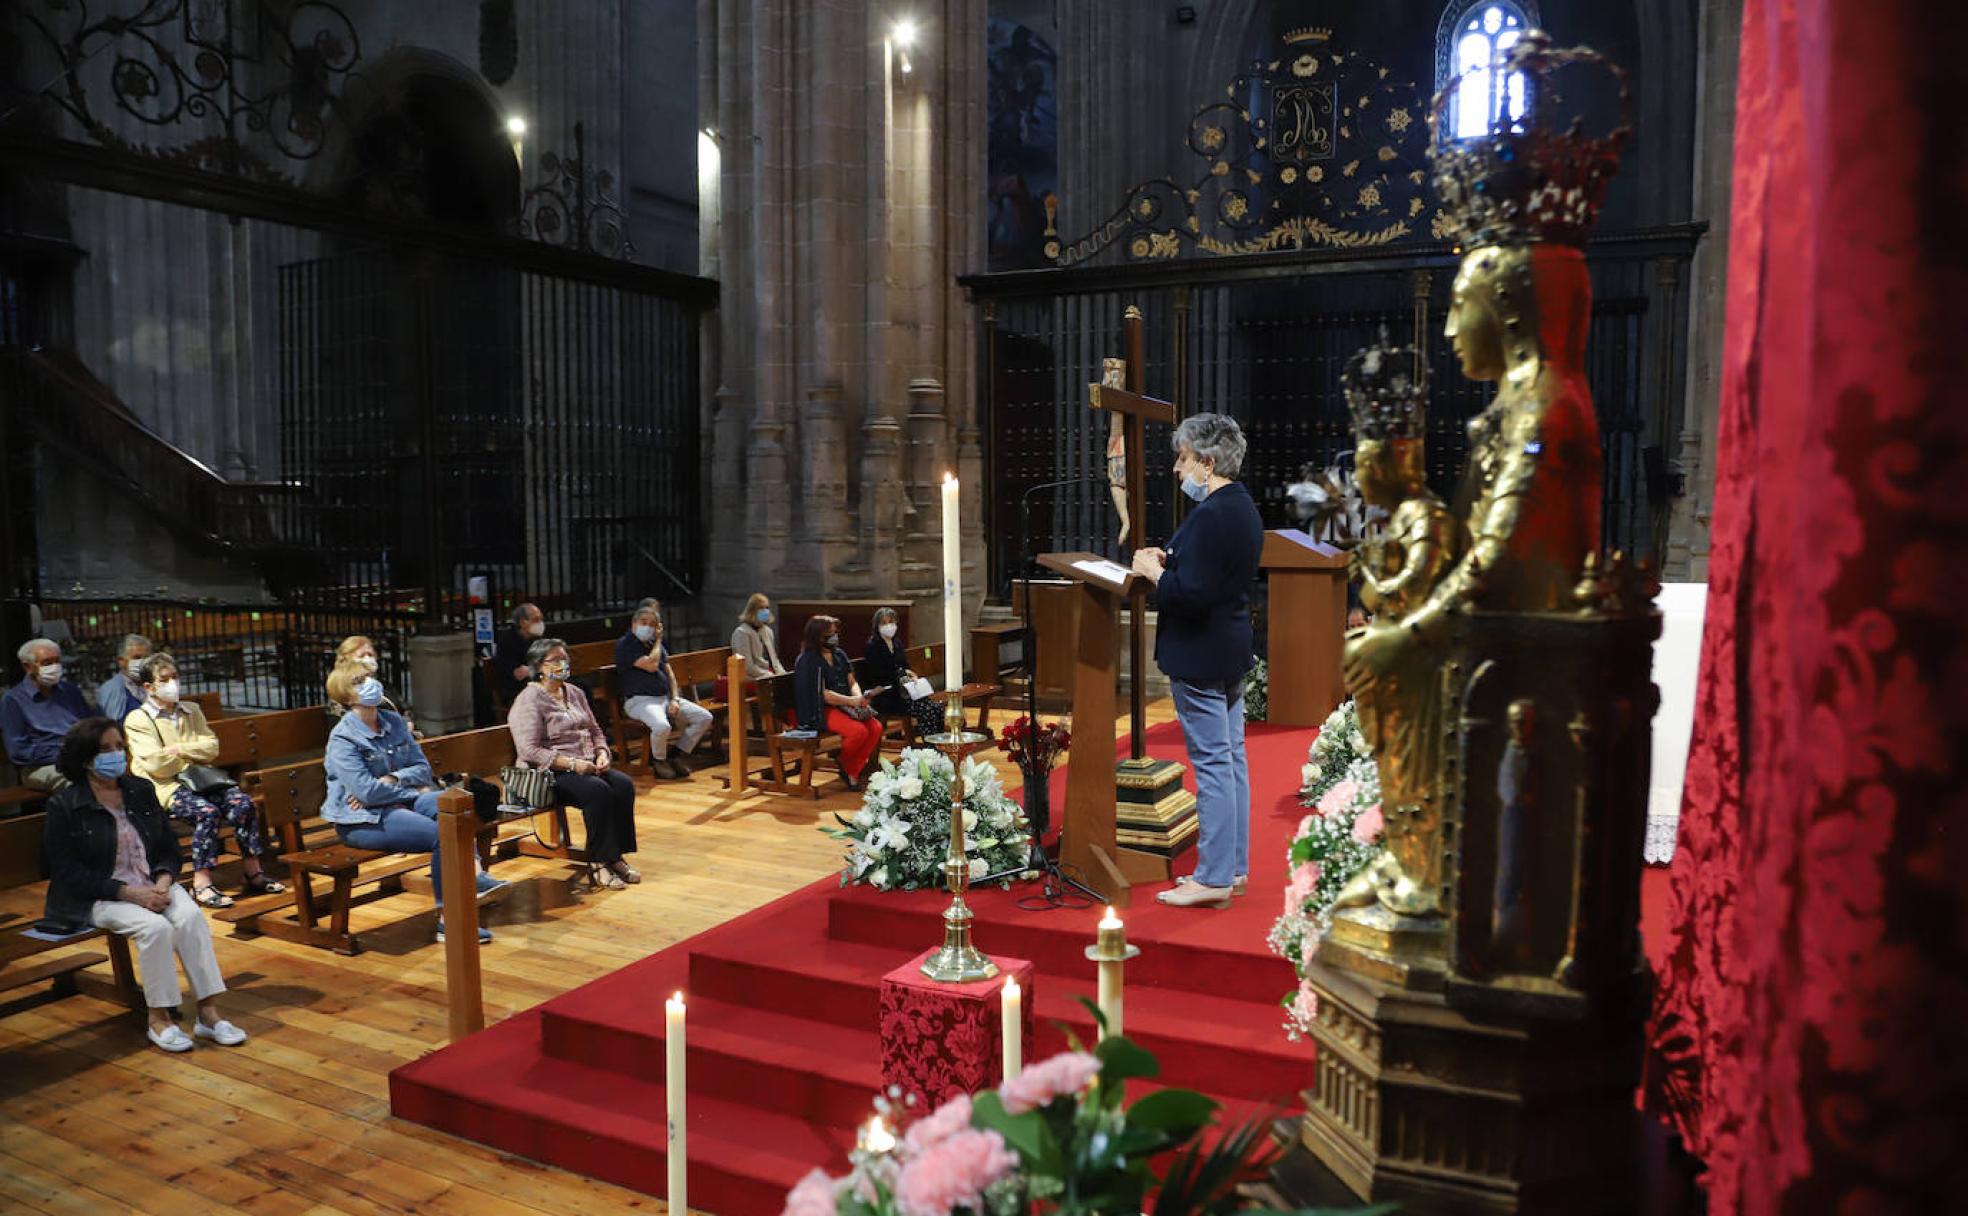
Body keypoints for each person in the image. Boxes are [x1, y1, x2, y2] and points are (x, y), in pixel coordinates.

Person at [42, 717, 248, 1052]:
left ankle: (209, 1015)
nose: (117, 754)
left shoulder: (139, 789)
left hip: (152, 883)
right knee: (154, 929)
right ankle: (159, 1019)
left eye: (120, 747)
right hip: (101, 894)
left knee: (190, 917)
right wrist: (130, 893)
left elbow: (167, 849)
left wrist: (164, 884)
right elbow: (66, 873)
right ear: (86, 760)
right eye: (106, 749)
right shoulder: (65, 805)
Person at [1131, 413, 1264, 909]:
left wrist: (1153, 573)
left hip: (1202, 653)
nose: (1176, 469)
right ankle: (1233, 867)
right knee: (1231, 762)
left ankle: (1211, 878)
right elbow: (1209, 573)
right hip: (1226, 650)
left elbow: (1190, 595)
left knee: (1213, 765)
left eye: (1183, 459)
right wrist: (1168, 561)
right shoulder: (1240, 506)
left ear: (1207, 463)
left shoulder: (1212, 513)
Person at [322, 667, 498, 943]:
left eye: (369, 677)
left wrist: (392, 778)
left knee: (455, 809)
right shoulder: (343, 738)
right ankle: (450, 920)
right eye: (360, 681)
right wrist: (405, 788)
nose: (371, 682)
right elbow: (367, 793)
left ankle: (476, 877)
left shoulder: (392, 720)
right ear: (345, 695)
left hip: (399, 802)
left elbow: (422, 769)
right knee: (443, 835)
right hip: (362, 819)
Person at [123, 653, 285, 908]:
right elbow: (156, 765)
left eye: (175, 677)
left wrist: (177, 749)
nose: (172, 683)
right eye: (164, 679)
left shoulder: (191, 710)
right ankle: (202, 883)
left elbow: (212, 748)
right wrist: (190, 752)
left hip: (201, 780)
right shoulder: (138, 720)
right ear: (148, 687)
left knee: (243, 803)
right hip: (166, 787)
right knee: (206, 812)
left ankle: (253, 872)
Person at [508, 637, 641, 890]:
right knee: (597, 791)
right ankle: (598, 861)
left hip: (588, 763)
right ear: (539, 666)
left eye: (564, 658)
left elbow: (595, 730)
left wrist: (602, 753)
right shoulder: (529, 700)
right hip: (551, 772)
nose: (562, 664)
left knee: (623, 785)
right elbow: (529, 749)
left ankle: (615, 856)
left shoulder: (576, 692)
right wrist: (571, 764)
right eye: (555, 660)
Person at [614, 604, 713, 780]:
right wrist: (659, 640)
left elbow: (670, 675)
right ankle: (658, 760)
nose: (648, 627)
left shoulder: (655, 646)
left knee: (704, 717)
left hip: (665, 698)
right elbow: (652, 666)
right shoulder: (625, 645)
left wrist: (675, 698)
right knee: (662, 726)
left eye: (653, 624)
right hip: (639, 701)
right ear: (634, 623)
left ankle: (676, 754)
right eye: (644, 622)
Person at [792, 615, 883, 791]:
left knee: (875, 727)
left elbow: (852, 681)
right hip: (820, 709)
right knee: (858, 732)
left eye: (835, 633)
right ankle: (850, 769)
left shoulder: (839, 654)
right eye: (829, 634)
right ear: (817, 636)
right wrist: (851, 700)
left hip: (845, 705)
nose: (834, 637)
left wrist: (860, 698)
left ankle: (850, 767)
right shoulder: (808, 660)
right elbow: (823, 694)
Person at [2, 638, 92, 791]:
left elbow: (91, 726)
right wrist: (64, 755)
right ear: (27, 667)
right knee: (82, 783)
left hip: (82, 759)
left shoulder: (70, 691)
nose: (54, 667)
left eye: (57, 661)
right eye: (46, 663)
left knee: (120, 776)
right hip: (40, 767)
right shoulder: (13, 700)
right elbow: (19, 751)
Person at [861, 607, 942, 738]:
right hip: (887, 695)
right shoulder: (873, 646)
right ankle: (930, 747)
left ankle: (938, 745)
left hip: (904, 691)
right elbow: (878, 675)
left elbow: (904, 665)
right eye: (884, 623)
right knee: (926, 710)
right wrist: (901, 676)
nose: (889, 626)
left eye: (891, 622)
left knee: (936, 707)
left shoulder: (896, 642)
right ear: (877, 626)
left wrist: (910, 673)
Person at [490, 603, 545, 707]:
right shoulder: (508, 641)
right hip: (516, 690)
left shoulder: (536, 638)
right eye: (536, 619)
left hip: (536, 684)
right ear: (522, 622)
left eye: (541, 619)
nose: (540, 623)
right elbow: (519, 674)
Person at [95, 633, 154, 723]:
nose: (143, 662)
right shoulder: (112, 690)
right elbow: (113, 728)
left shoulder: (153, 686)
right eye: (137, 657)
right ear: (121, 661)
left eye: (147, 658)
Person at [731, 593, 788, 679]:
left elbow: (774, 660)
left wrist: (783, 675)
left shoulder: (767, 631)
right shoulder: (742, 633)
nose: (765, 611)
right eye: (761, 608)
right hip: (752, 677)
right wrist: (770, 676)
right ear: (752, 610)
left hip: (768, 675)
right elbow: (748, 667)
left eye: (767, 608)